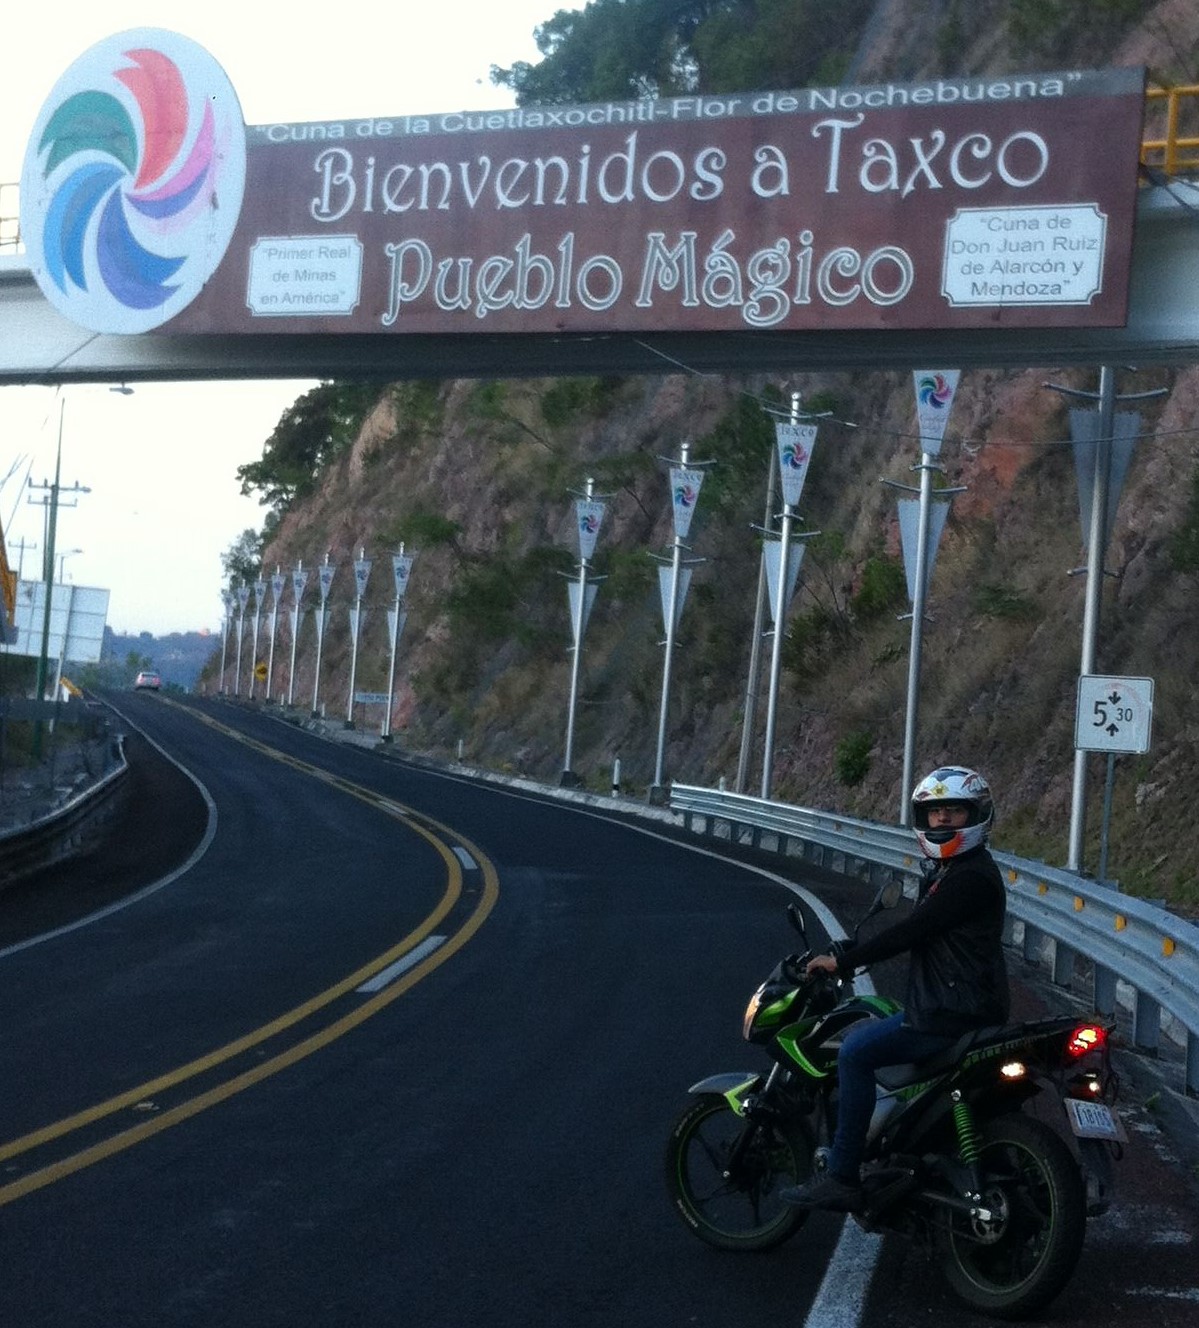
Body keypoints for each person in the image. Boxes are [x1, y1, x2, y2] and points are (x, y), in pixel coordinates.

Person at [780, 765, 1010, 1212]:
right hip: (963, 1004)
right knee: (877, 1021)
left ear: (977, 815)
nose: (942, 820)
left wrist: (843, 961)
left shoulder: (968, 877)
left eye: (954, 812)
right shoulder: (957, 871)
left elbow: (913, 931)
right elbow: (928, 935)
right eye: (935, 812)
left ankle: (843, 1174)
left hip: (950, 1012)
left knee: (854, 1051)